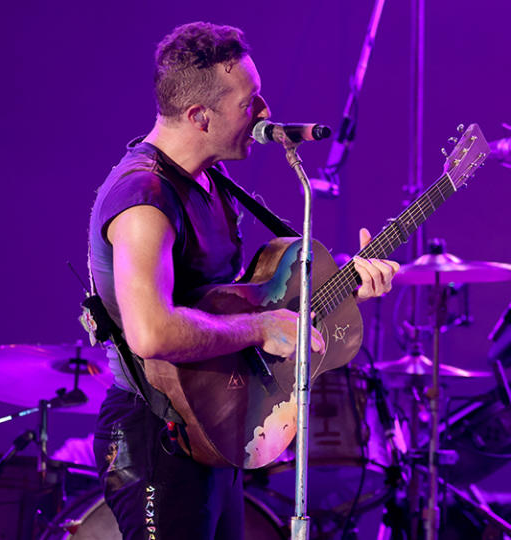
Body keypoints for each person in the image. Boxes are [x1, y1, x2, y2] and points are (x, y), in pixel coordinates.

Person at [88, 22, 398, 539]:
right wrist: (260, 330)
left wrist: (344, 285)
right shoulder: (143, 198)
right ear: (199, 116)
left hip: (211, 425)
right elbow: (152, 334)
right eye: (250, 102)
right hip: (154, 439)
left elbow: (235, 302)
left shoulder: (209, 181)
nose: (265, 112)